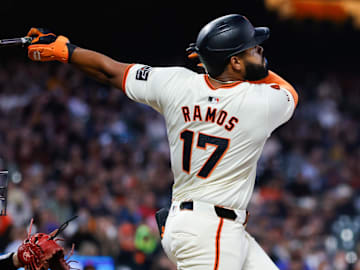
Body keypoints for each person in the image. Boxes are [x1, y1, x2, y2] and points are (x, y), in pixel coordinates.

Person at [25, 14, 298, 269]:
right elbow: (288, 92)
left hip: (195, 225)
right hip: (211, 233)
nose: (260, 50)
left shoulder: (176, 82)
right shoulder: (260, 102)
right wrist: (234, 65)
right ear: (235, 62)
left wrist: (66, 51)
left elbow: (110, 71)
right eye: (253, 48)